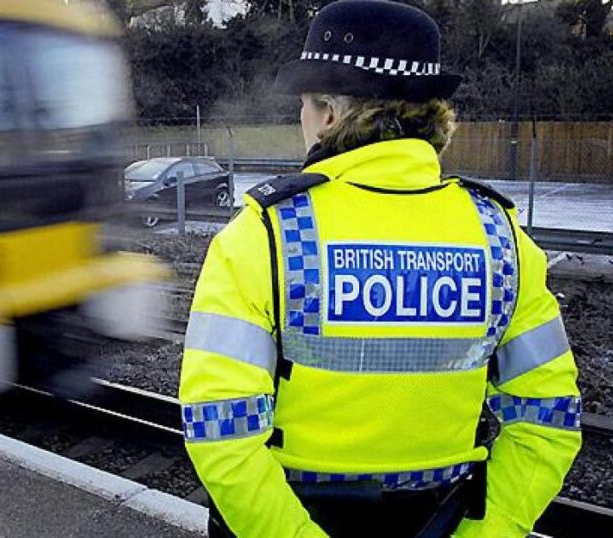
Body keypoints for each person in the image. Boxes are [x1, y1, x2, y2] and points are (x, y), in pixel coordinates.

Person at [178, 1, 582, 536]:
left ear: (326, 112)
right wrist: (482, 532)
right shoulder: (502, 240)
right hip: (442, 519)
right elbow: (549, 421)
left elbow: (218, 429)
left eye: (304, 105)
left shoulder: (267, 234)